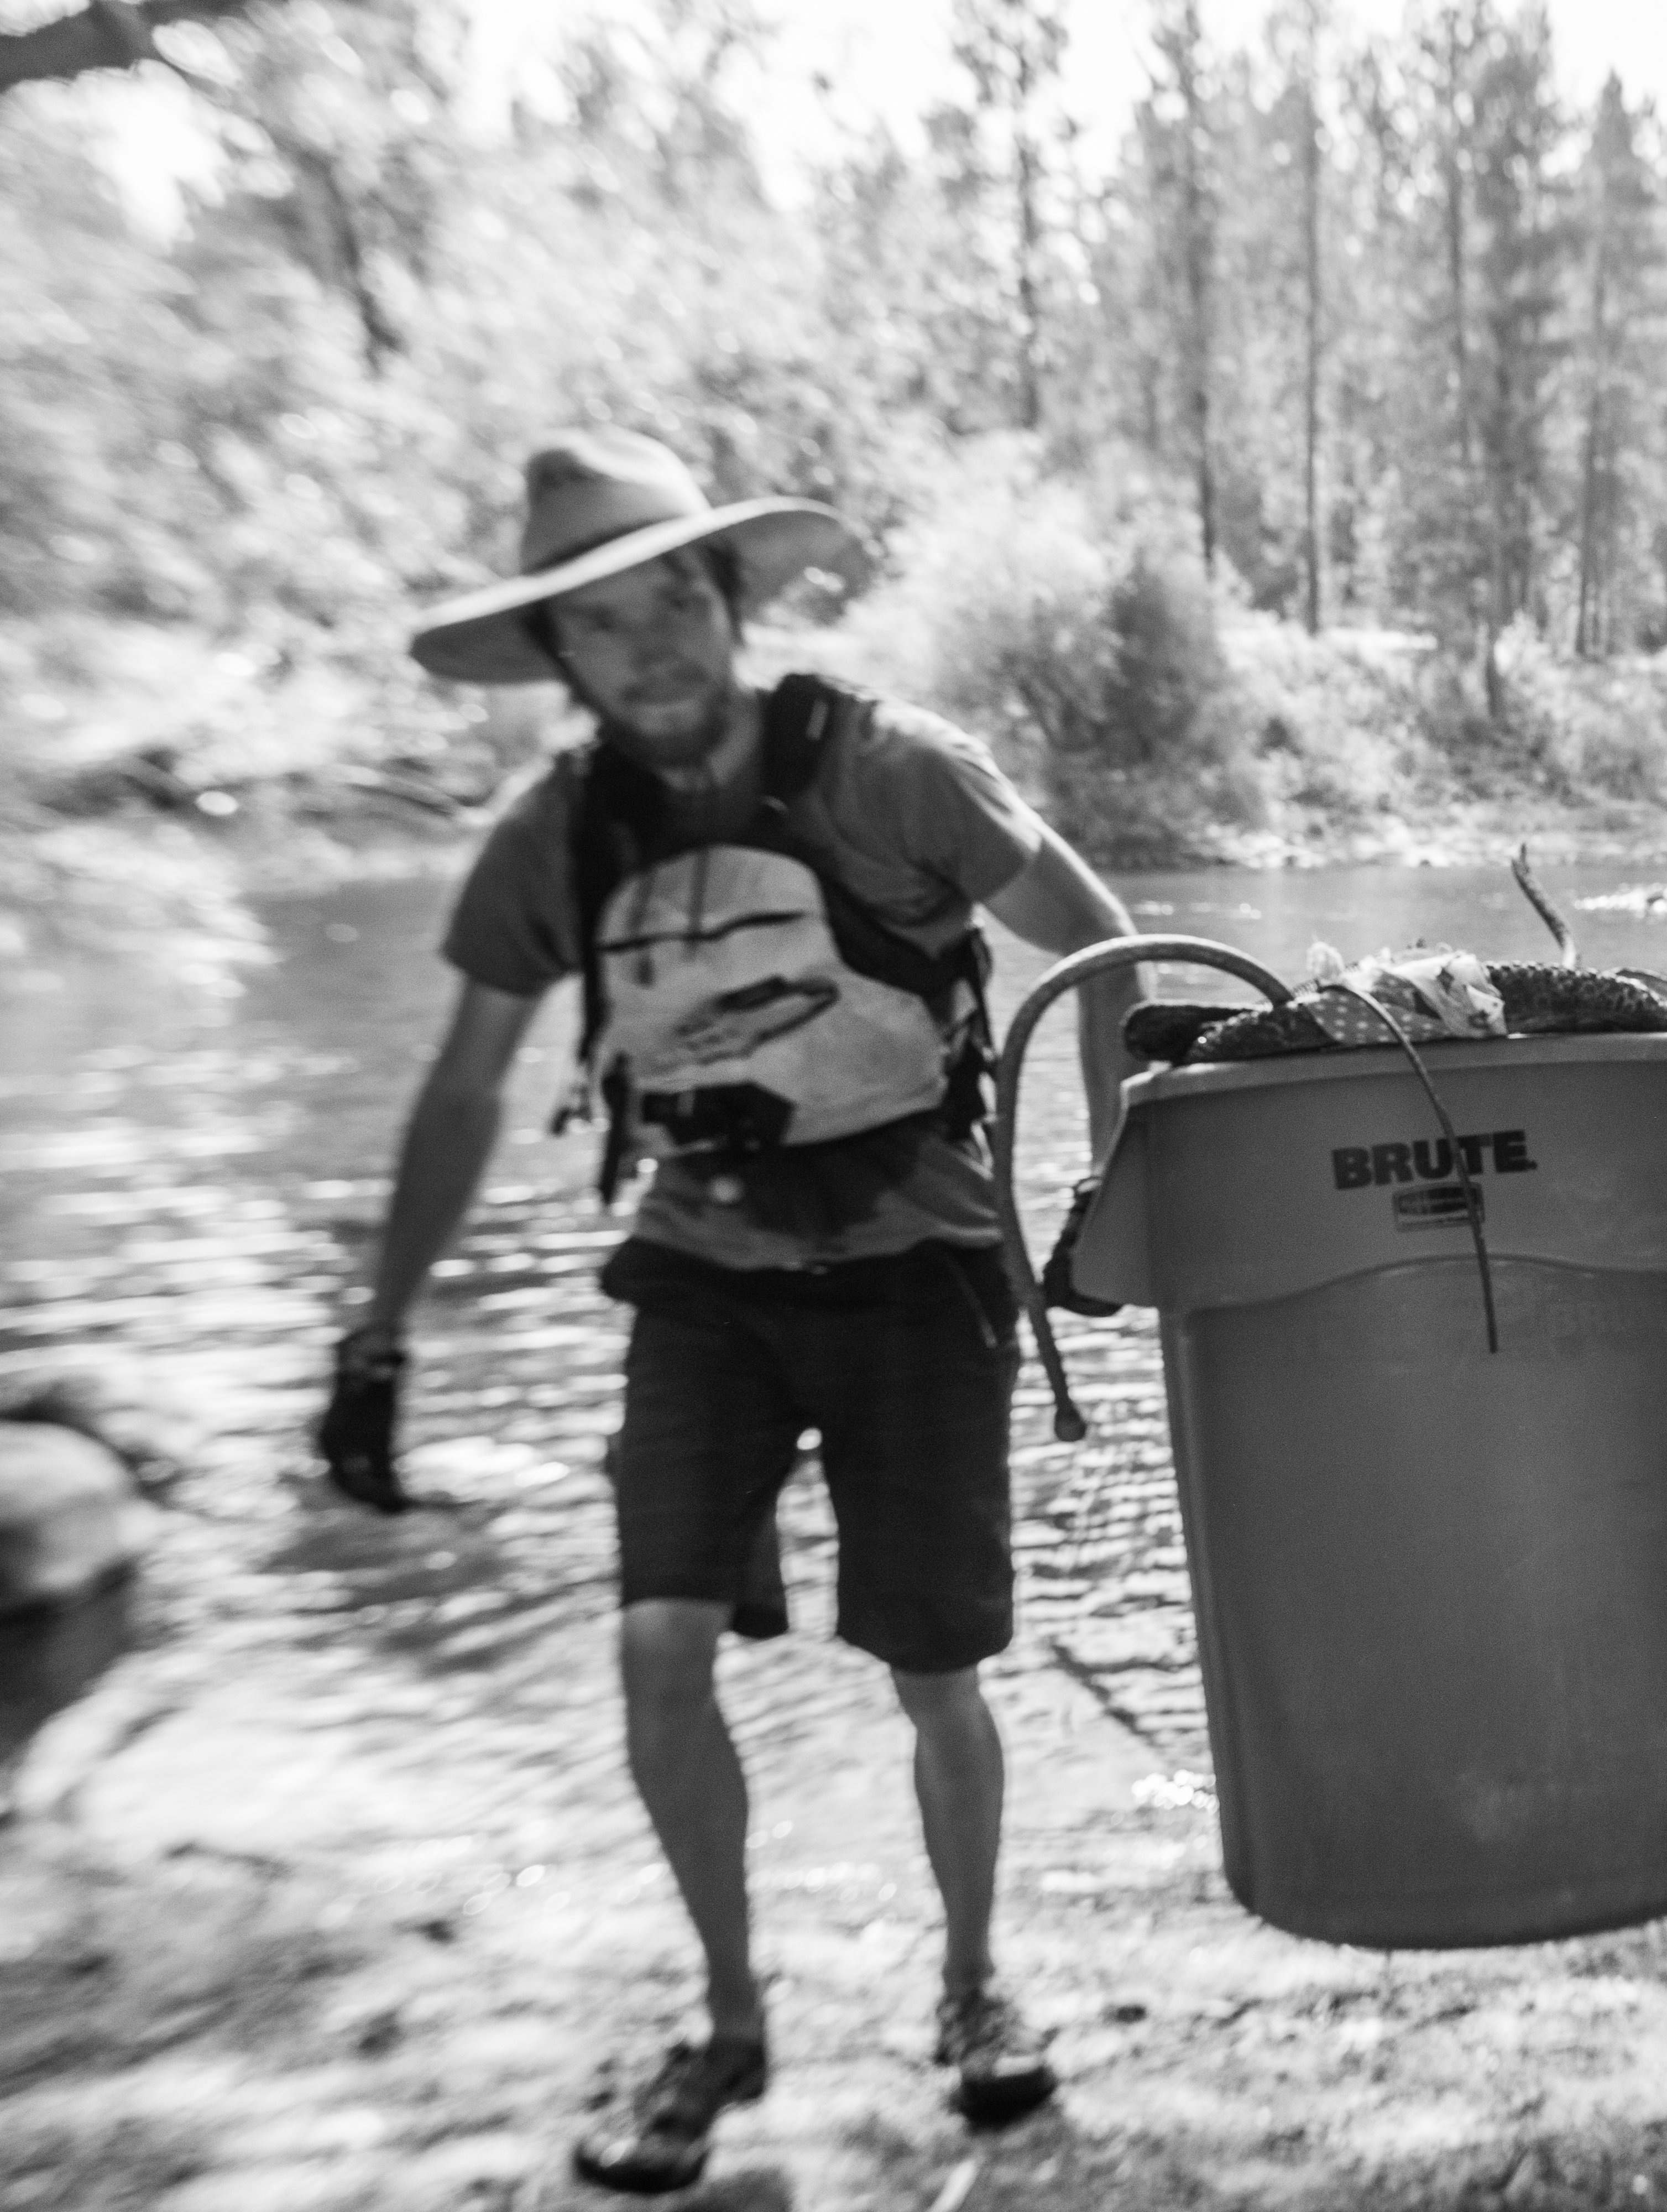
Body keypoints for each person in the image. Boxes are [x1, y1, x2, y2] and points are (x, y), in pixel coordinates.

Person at [316, 429, 1143, 2194]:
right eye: (600, 627)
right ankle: (729, 2021)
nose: (649, 648)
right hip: (702, 1277)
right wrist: (378, 1331)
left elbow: (1097, 949)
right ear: (562, 663)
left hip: (922, 1264)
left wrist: (1128, 1194)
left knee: (935, 1670)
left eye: (671, 601)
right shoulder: (558, 839)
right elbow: (462, 1091)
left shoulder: (890, 772)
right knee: (653, 1642)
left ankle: (977, 1990)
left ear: (728, 600)